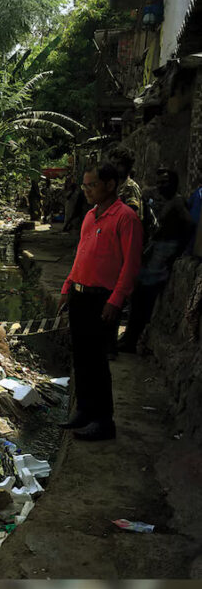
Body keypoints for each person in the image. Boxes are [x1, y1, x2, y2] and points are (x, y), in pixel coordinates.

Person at [58, 162, 143, 441]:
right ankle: (84, 410)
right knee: (81, 356)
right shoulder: (90, 215)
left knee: (97, 360)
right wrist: (67, 286)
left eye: (92, 185)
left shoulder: (126, 218)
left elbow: (131, 265)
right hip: (80, 294)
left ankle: (104, 421)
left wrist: (116, 300)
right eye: (84, 186)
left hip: (102, 299)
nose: (87, 191)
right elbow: (81, 254)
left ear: (110, 185)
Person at [119, 168, 194, 352]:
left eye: (164, 182)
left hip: (164, 252)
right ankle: (130, 337)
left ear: (174, 184)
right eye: (159, 182)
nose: (160, 186)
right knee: (137, 296)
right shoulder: (160, 200)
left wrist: (178, 251)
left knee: (142, 297)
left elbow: (189, 226)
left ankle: (132, 339)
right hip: (155, 250)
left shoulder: (177, 202)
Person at [110, 147, 143, 219]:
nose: (115, 167)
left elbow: (133, 217)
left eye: (119, 164)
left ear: (127, 166)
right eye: (113, 163)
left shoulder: (130, 187)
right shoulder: (113, 187)